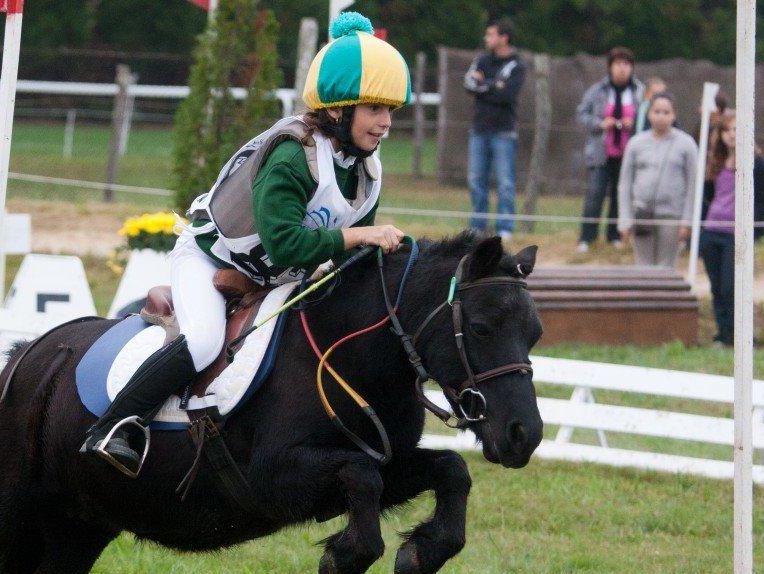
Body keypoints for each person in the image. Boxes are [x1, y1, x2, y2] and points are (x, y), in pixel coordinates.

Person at [80, 12, 409, 476]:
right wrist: (362, 235)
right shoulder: (294, 155)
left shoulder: (365, 173)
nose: (386, 123)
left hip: (276, 278)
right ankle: (116, 425)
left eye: (391, 111)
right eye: (375, 109)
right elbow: (287, 243)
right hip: (211, 260)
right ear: (338, 109)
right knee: (203, 342)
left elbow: (344, 257)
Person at [699, 108, 764, 347]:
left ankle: (741, 335)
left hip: (736, 235)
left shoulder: (756, 163)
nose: (731, 135)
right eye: (726, 130)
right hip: (711, 232)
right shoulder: (716, 162)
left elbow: (762, 201)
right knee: (717, 287)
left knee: (732, 287)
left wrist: (752, 231)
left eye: (736, 129)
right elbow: (707, 197)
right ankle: (724, 334)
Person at [575, 47, 644, 253]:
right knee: (595, 194)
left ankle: (614, 235)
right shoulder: (598, 90)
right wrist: (600, 123)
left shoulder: (639, 91)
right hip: (600, 152)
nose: (622, 69)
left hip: (628, 152)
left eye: (626, 64)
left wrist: (633, 123)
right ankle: (587, 237)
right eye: (618, 64)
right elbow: (581, 115)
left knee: (619, 194)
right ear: (610, 67)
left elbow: (645, 116)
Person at [617, 92, 697, 267]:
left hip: (672, 216)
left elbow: (693, 184)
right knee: (643, 266)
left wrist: (687, 221)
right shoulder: (636, 143)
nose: (661, 116)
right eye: (657, 111)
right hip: (642, 213)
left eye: (666, 112)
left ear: (674, 115)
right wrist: (625, 219)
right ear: (648, 113)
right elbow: (625, 183)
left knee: (665, 267)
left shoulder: (686, 144)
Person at [462, 18, 525, 240]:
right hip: (479, 130)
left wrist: (484, 85)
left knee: (505, 182)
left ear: (503, 38)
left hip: (504, 132)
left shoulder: (516, 65)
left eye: (491, 34)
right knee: (476, 181)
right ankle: (478, 226)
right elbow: (469, 84)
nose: (486, 38)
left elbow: (507, 94)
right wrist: (494, 84)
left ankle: (505, 227)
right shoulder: (481, 60)